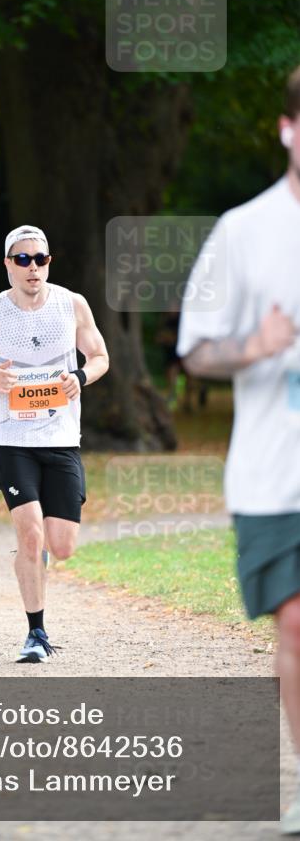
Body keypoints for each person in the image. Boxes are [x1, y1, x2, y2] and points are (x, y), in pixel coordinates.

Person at [177, 65, 300, 836]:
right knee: (295, 625)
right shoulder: (243, 229)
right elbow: (193, 350)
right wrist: (253, 346)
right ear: (287, 130)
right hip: (275, 471)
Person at [0, 225, 109, 663]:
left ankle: (34, 556)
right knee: (30, 531)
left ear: (49, 263)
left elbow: (99, 357)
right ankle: (35, 632)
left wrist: (80, 377)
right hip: (11, 439)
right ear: (8, 265)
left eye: (40, 259)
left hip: (61, 440)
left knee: (61, 546)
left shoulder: (72, 305)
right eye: (23, 259)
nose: (32, 267)